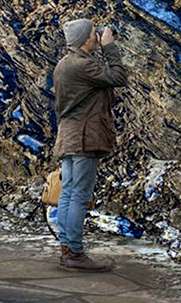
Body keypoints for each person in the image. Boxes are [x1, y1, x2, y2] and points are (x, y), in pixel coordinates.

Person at [51, 18, 128, 272]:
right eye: (94, 34)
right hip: (84, 137)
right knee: (79, 195)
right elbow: (118, 76)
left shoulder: (65, 63)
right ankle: (74, 252)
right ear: (84, 39)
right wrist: (109, 48)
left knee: (69, 192)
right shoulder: (82, 65)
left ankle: (67, 247)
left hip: (70, 136)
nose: (97, 36)